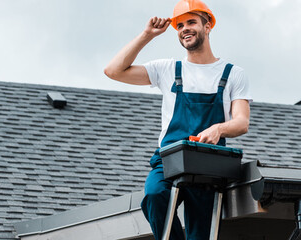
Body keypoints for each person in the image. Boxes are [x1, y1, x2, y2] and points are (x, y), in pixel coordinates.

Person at [103, 0, 251, 239]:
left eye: (191, 22)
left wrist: (218, 129)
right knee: (154, 195)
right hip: (169, 158)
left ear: (208, 26)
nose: (185, 29)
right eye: (180, 25)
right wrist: (147, 35)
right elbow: (113, 71)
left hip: (208, 163)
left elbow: (242, 122)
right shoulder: (168, 69)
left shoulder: (233, 74)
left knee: (202, 233)